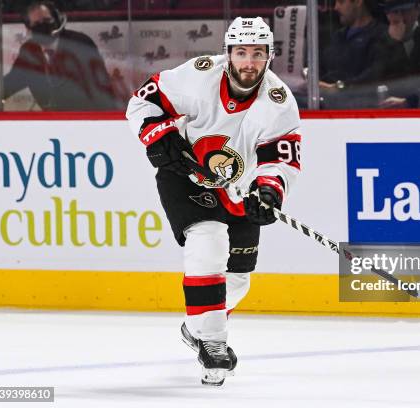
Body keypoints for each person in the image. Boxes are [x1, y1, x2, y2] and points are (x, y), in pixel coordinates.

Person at [126, 17, 301, 386]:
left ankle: (197, 328)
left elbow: (279, 159)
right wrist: (160, 137)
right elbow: (142, 103)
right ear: (228, 54)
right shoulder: (198, 76)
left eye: (257, 53)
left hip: (240, 188)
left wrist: (268, 190)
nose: (248, 62)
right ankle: (215, 344)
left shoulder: (279, 102)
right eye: (241, 52)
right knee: (208, 240)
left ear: (269, 56)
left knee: (237, 280)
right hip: (185, 175)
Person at [0, 1, 117, 110]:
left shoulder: (80, 43)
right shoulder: (29, 50)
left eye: (47, 20)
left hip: (85, 118)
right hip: (52, 123)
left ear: (57, 21)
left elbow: (102, 88)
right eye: (36, 24)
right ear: (28, 29)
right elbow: (11, 83)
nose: (43, 26)